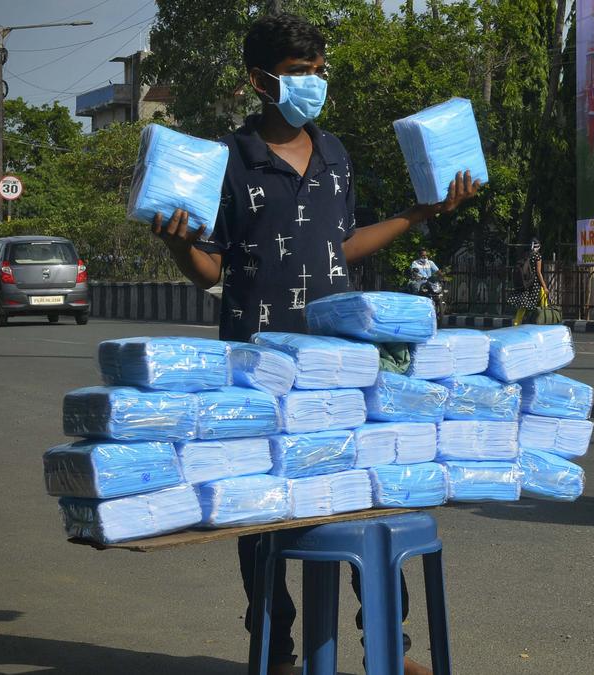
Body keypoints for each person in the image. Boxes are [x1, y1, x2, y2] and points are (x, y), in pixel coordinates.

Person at [151, 14, 480, 675]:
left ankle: (393, 644)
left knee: (362, 493)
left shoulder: (335, 154)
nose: (313, 84)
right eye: (299, 73)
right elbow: (213, 269)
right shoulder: (231, 164)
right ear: (259, 79)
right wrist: (177, 242)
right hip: (258, 365)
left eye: (318, 72)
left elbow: (342, 248)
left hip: (338, 362)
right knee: (261, 513)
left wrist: (417, 215)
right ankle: (276, 647)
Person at [510, 238, 548, 326]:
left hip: (526, 282)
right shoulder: (537, 256)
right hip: (534, 284)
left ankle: (516, 323)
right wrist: (545, 286)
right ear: (538, 247)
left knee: (523, 304)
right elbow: (538, 273)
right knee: (543, 302)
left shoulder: (527, 254)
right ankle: (545, 322)